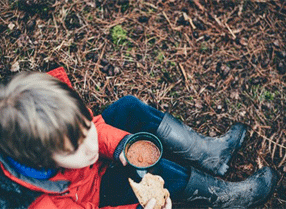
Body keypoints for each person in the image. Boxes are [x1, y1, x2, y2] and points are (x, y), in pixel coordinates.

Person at [0, 67, 278, 209]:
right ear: (39, 158)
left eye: (85, 127)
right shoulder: (42, 204)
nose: (92, 143)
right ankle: (224, 197)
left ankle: (210, 153)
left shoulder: (57, 116)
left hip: (85, 174)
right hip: (93, 198)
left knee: (128, 108)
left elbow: (95, 127)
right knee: (151, 173)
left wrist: (121, 145)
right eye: (76, 145)